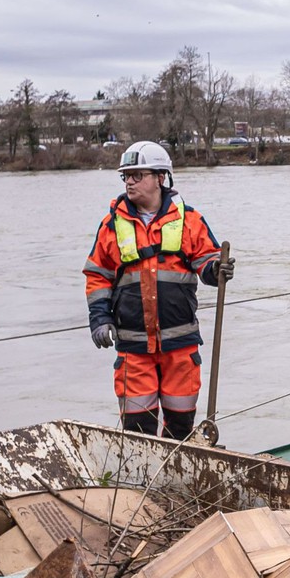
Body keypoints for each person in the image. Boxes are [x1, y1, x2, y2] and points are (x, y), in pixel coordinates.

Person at [82, 141, 230, 439]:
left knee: (180, 429)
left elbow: (206, 263)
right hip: (134, 349)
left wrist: (217, 270)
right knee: (138, 432)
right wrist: (99, 319)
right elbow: (97, 276)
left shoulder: (190, 220)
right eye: (126, 176)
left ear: (160, 177)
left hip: (181, 347)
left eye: (138, 175)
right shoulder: (111, 225)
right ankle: (141, 485)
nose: (130, 182)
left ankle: (174, 484)